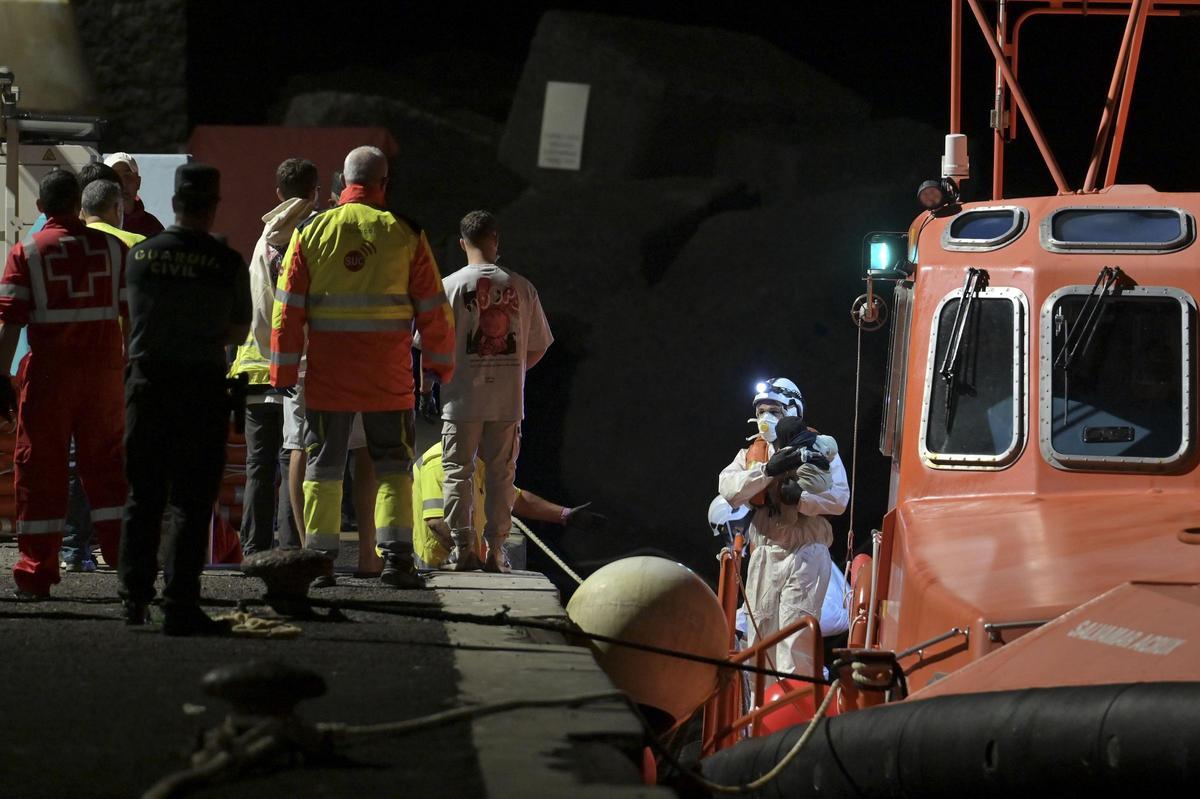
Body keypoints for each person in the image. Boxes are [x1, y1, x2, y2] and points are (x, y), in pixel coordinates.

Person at [270, 145, 455, 589]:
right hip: (387, 376)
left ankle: (320, 562)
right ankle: (396, 561)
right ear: (384, 182)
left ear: (344, 181)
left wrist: (281, 372)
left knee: (323, 466)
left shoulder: (312, 231)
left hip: (329, 375)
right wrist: (438, 368)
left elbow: (288, 308)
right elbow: (433, 309)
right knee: (392, 465)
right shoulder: (405, 233)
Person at [118, 163, 250, 635]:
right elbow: (238, 330)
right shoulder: (226, 262)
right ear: (212, 207)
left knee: (143, 495)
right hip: (200, 387)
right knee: (192, 500)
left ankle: (133, 599)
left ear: (173, 204)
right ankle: (180, 603)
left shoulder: (140, 256)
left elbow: (131, 316)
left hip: (147, 383)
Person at [0, 170, 129, 599]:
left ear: (40, 208)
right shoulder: (112, 249)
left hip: (51, 379)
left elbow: (11, 322)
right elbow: (134, 314)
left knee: (40, 471)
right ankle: (130, 571)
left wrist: (1, 378)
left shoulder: (27, 252)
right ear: (79, 206)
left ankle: (36, 574)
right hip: (105, 377)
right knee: (109, 470)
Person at [424, 210, 552, 573]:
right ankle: (496, 551)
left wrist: (432, 384)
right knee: (501, 475)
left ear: (463, 242)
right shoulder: (523, 288)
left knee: (457, 472)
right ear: (495, 239)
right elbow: (540, 345)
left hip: (460, 397)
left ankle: (463, 548)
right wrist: (513, 371)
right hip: (507, 400)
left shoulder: (447, 287)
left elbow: (428, 346)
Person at [718, 378, 849, 677]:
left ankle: (794, 715)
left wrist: (801, 499)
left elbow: (839, 498)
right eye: (761, 410)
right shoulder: (751, 455)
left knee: (793, 641)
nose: (766, 417)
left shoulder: (821, 449)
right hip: (764, 552)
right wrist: (767, 471)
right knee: (758, 644)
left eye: (773, 409)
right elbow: (729, 488)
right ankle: (760, 717)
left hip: (805, 552)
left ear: (793, 410)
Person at [232, 157, 319, 556]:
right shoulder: (316, 234)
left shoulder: (262, 241)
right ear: (316, 191)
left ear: (279, 194)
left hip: (252, 367)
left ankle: (253, 549)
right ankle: (291, 548)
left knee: (257, 465)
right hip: (296, 367)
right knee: (292, 460)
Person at [61, 169, 145, 572]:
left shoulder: (63, 245)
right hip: (119, 365)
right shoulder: (137, 246)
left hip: (66, 363)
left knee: (75, 457)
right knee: (120, 458)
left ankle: (74, 545)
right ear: (117, 208)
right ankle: (120, 545)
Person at [411, 439, 605, 569]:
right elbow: (437, 522)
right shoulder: (443, 463)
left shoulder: (481, 463)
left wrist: (564, 515)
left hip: (466, 564)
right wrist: (472, 558)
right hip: (439, 568)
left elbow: (514, 497)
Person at [103, 152, 164, 237]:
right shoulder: (97, 224)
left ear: (138, 183)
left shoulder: (152, 226)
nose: (123, 184)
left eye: (128, 177)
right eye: (115, 178)